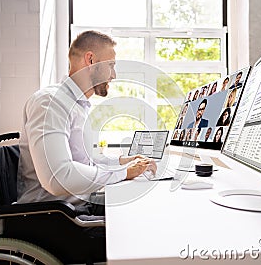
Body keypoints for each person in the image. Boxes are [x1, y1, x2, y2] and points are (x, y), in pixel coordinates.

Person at [16, 31, 156, 261]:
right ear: (90, 60)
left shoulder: (77, 105)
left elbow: (88, 161)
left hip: (73, 210)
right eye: (110, 65)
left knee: (142, 211)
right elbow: (58, 177)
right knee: (140, 234)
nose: (114, 74)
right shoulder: (51, 102)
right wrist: (122, 173)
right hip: (53, 219)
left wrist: (125, 162)